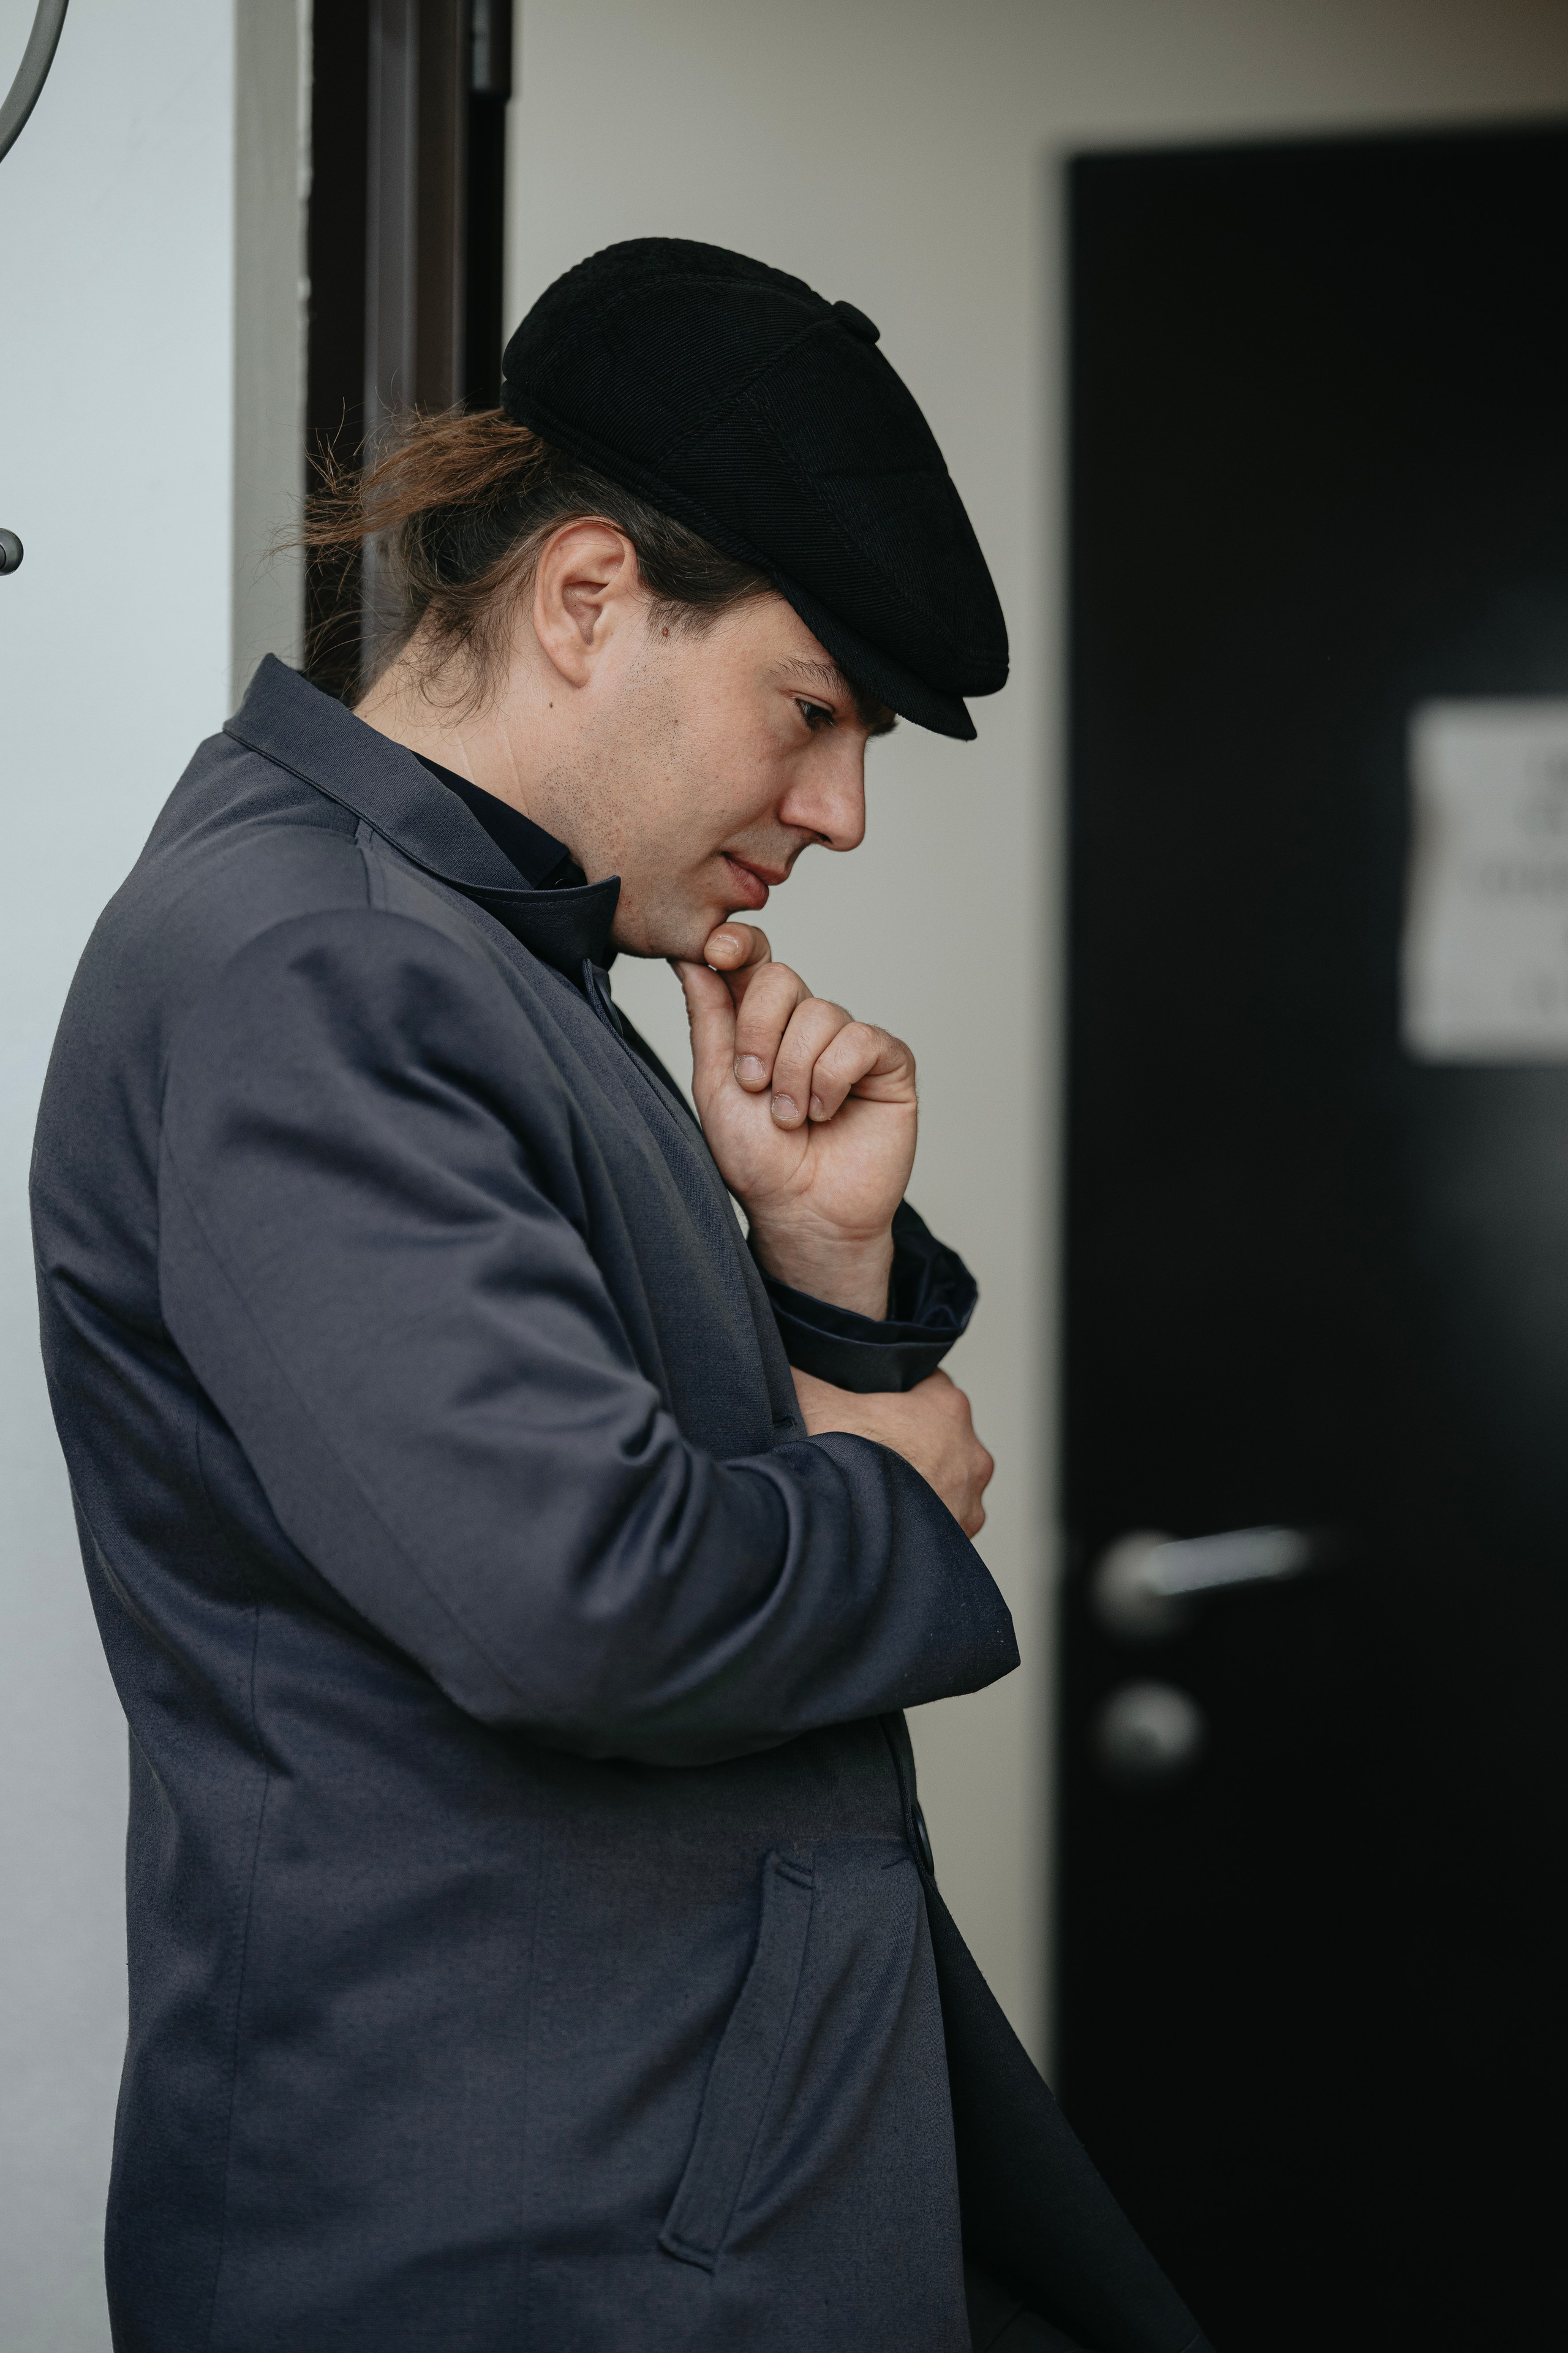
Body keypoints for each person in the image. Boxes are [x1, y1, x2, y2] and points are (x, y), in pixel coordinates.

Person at [32, 241, 1209, 2353]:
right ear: (587, 601)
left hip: (666, 2210)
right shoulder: (315, 968)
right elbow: (579, 1588)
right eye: (815, 712)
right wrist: (892, 1471)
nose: (839, 810)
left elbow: (602, 1480)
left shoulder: (487, 957)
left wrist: (826, 1289)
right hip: (514, 2258)